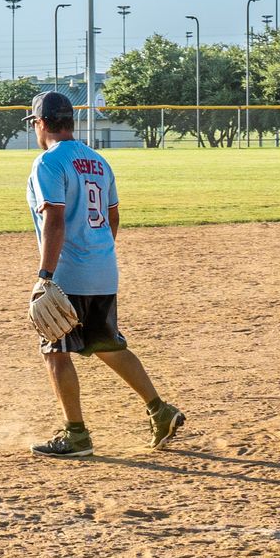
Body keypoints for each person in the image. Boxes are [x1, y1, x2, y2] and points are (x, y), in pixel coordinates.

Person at [21, 90, 185, 458]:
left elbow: (55, 219)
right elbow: (113, 217)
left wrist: (46, 275)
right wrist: (98, 254)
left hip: (68, 274)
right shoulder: (98, 161)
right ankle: (160, 411)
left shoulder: (47, 162)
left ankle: (76, 435)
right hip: (103, 270)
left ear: (41, 123)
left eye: (35, 123)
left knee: (55, 352)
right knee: (106, 343)